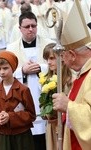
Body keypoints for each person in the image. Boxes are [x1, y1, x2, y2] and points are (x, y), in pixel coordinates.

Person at [7, 11, 54, 150]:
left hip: (44, 94)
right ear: (19, 28)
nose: (31, 29)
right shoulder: (11, 48)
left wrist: (42, 68)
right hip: (23, 96)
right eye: (26, 26)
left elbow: (59, 66)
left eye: (33, 25)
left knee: (45, 135)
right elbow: (4, 72)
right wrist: (22, 71)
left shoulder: (48, 44)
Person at [52, 0, 91, 150]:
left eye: (63, 55)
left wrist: (68, 106)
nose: (61, 59)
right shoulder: (82, 73)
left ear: (72, 55)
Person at [0, 51, 36, 150]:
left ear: (13, 68)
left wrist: (10, 117)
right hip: (5, 135)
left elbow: (31, 115)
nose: (2, 72)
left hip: (22, 135)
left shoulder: (23, 90)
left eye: (5, 68)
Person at [42, 43, 72, 150]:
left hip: (63, 124)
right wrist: (45, 112)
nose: (49, 62)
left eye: (52, 58)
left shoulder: (69, 80)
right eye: (47, 59)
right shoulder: (46, 79)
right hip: (51, 125)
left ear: (61, 57)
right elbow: (43, 102)